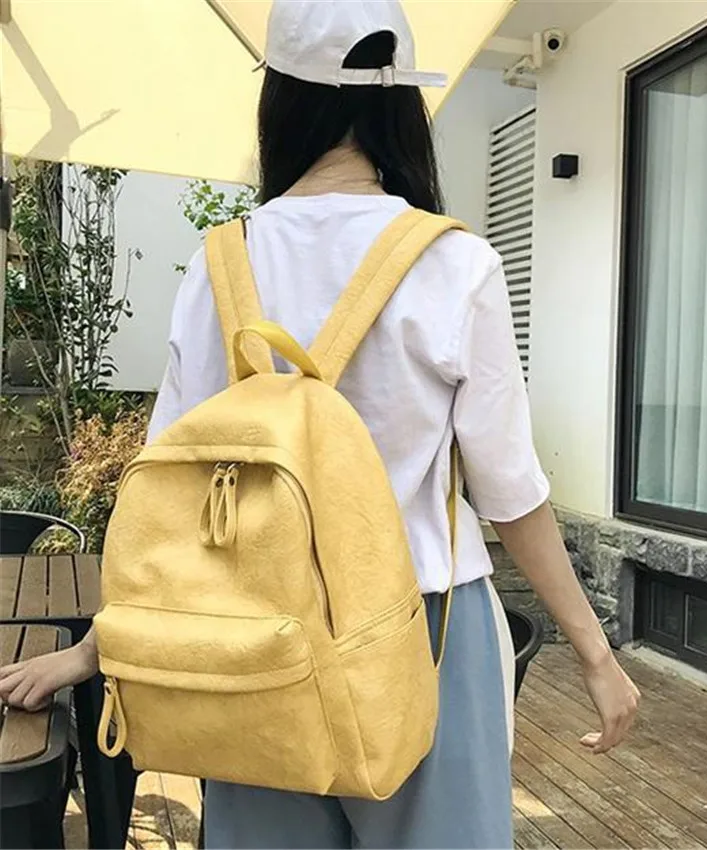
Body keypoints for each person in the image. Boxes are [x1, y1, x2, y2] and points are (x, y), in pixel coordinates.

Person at [0, 1, 639, 847]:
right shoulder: (454, 263)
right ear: (401, 106)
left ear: (281, 102)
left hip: (252, 636)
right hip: (427, 629)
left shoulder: (219, 263)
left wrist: (95, 650)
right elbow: (510, 493)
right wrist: (596, 653)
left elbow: (169, 496)